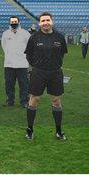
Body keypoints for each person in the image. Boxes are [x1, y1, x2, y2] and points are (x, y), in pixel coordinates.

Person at [24, 12, 68, 141]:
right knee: (34, 99)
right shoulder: (34, 38)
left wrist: (54, 65)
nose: (45, 22)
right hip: (38, 73)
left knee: (56, 101)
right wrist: (37, 66)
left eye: (48, 20)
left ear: (52, 22)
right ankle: (30, 130)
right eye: (43, 21)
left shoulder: (60, 37)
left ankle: (59, 131)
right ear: (39, 23)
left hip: (55, 73)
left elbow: (62, 54)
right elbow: (28, 55)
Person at [1, 16, 31, 108]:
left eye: (15, 21)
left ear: (19, 22)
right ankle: (10, 101)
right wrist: (10, 55)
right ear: (9, 23)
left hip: (22, 64)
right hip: (9, 64)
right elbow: (4, 46)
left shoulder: (25, 33)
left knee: (24, 84)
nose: (14, 23)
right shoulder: (5, 33)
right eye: (12, 21)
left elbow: (29, 47)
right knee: (9, 84)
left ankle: (24, 101)